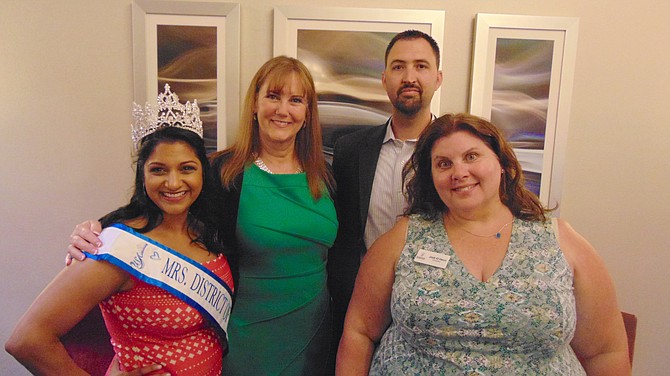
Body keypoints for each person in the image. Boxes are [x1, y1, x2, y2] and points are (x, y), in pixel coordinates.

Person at [66, 56, 338, 375]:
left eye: (295, 100)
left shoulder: (328, 177)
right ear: (254, 104)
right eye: (273, 96)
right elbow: (156, 211)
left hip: (316, 332)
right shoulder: (222, 173)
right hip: (246, 336)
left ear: (307, 113)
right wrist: (97, 228)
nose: (283, 110)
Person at [336, 113, 631, 375]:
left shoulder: (560, 241)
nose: (459, 172)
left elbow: (605, 352)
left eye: (472, 156)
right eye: (443, 163)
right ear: (432, 176)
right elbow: (359, 332)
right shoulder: (404, 238)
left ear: (501, 163)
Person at [6, 85, 235, 376]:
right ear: (143, 175)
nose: (174, 183)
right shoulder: (115, 247)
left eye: (187, 168)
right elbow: (26, 341)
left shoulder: (207, 231)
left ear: (203, 171)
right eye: (159, 170)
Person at [328, 29, 443, 345]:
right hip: (360, 307)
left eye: (421, 66)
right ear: (384, 78)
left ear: (438, 77)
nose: (409, 77)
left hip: (433, 309)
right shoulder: (350, 150)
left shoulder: (454, 153)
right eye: (398, 66)